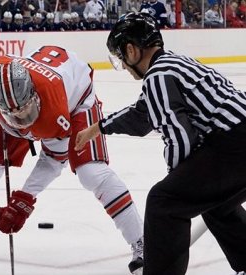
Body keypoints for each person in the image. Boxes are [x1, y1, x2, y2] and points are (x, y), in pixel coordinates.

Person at [0, 30, 145, 275]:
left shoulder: (54, 113)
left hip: (76, 101)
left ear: (33, 95)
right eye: (14, 115)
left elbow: (54, 159)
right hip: (19, 96)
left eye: (24, 111)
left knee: (92, 173)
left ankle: (142, 242)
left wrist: (26, 197)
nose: (22, 120)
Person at [74, 12, 246, 275]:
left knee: (164, 202)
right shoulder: (173, 64)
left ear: (131, 51)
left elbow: (180, 137)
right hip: (238, 137)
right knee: (215, 203)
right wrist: (99, 127)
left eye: (121, 57)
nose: (123, 64)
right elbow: (143, 113)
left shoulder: (157, 76)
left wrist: (176, 182)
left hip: (235, 142)